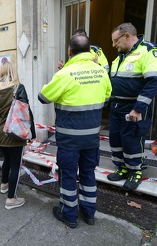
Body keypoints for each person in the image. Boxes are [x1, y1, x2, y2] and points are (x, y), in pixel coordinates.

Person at [38, 35, 112, 228]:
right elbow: (107, 97)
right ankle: (89, 214)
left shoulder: (65, 74)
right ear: (90, 51)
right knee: (88, 174)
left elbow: (43, 97)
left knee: (68, 175)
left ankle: (69, 215)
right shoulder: (101, 72)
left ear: (70, 52)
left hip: (69, 140)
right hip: (92, 139)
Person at [107, 23, 157, 191]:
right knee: (115, 138)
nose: (113, 45)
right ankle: (122, 168)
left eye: (115, 41)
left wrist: (138, 108)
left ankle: (135, 171)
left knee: (131, 139)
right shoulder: (120, 56)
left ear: (126, 36)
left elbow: (154, 82)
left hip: (134, 106)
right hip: (117, 105)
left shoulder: (149, 51)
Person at [0, 61, 35, 210]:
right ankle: (11, 200)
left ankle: (4, 185)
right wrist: (31, 131)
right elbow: (25, 109)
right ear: (14, 72)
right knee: (15, 166)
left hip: (0, 131)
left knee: (6, 159)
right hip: (14, 131)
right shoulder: (18, 87)